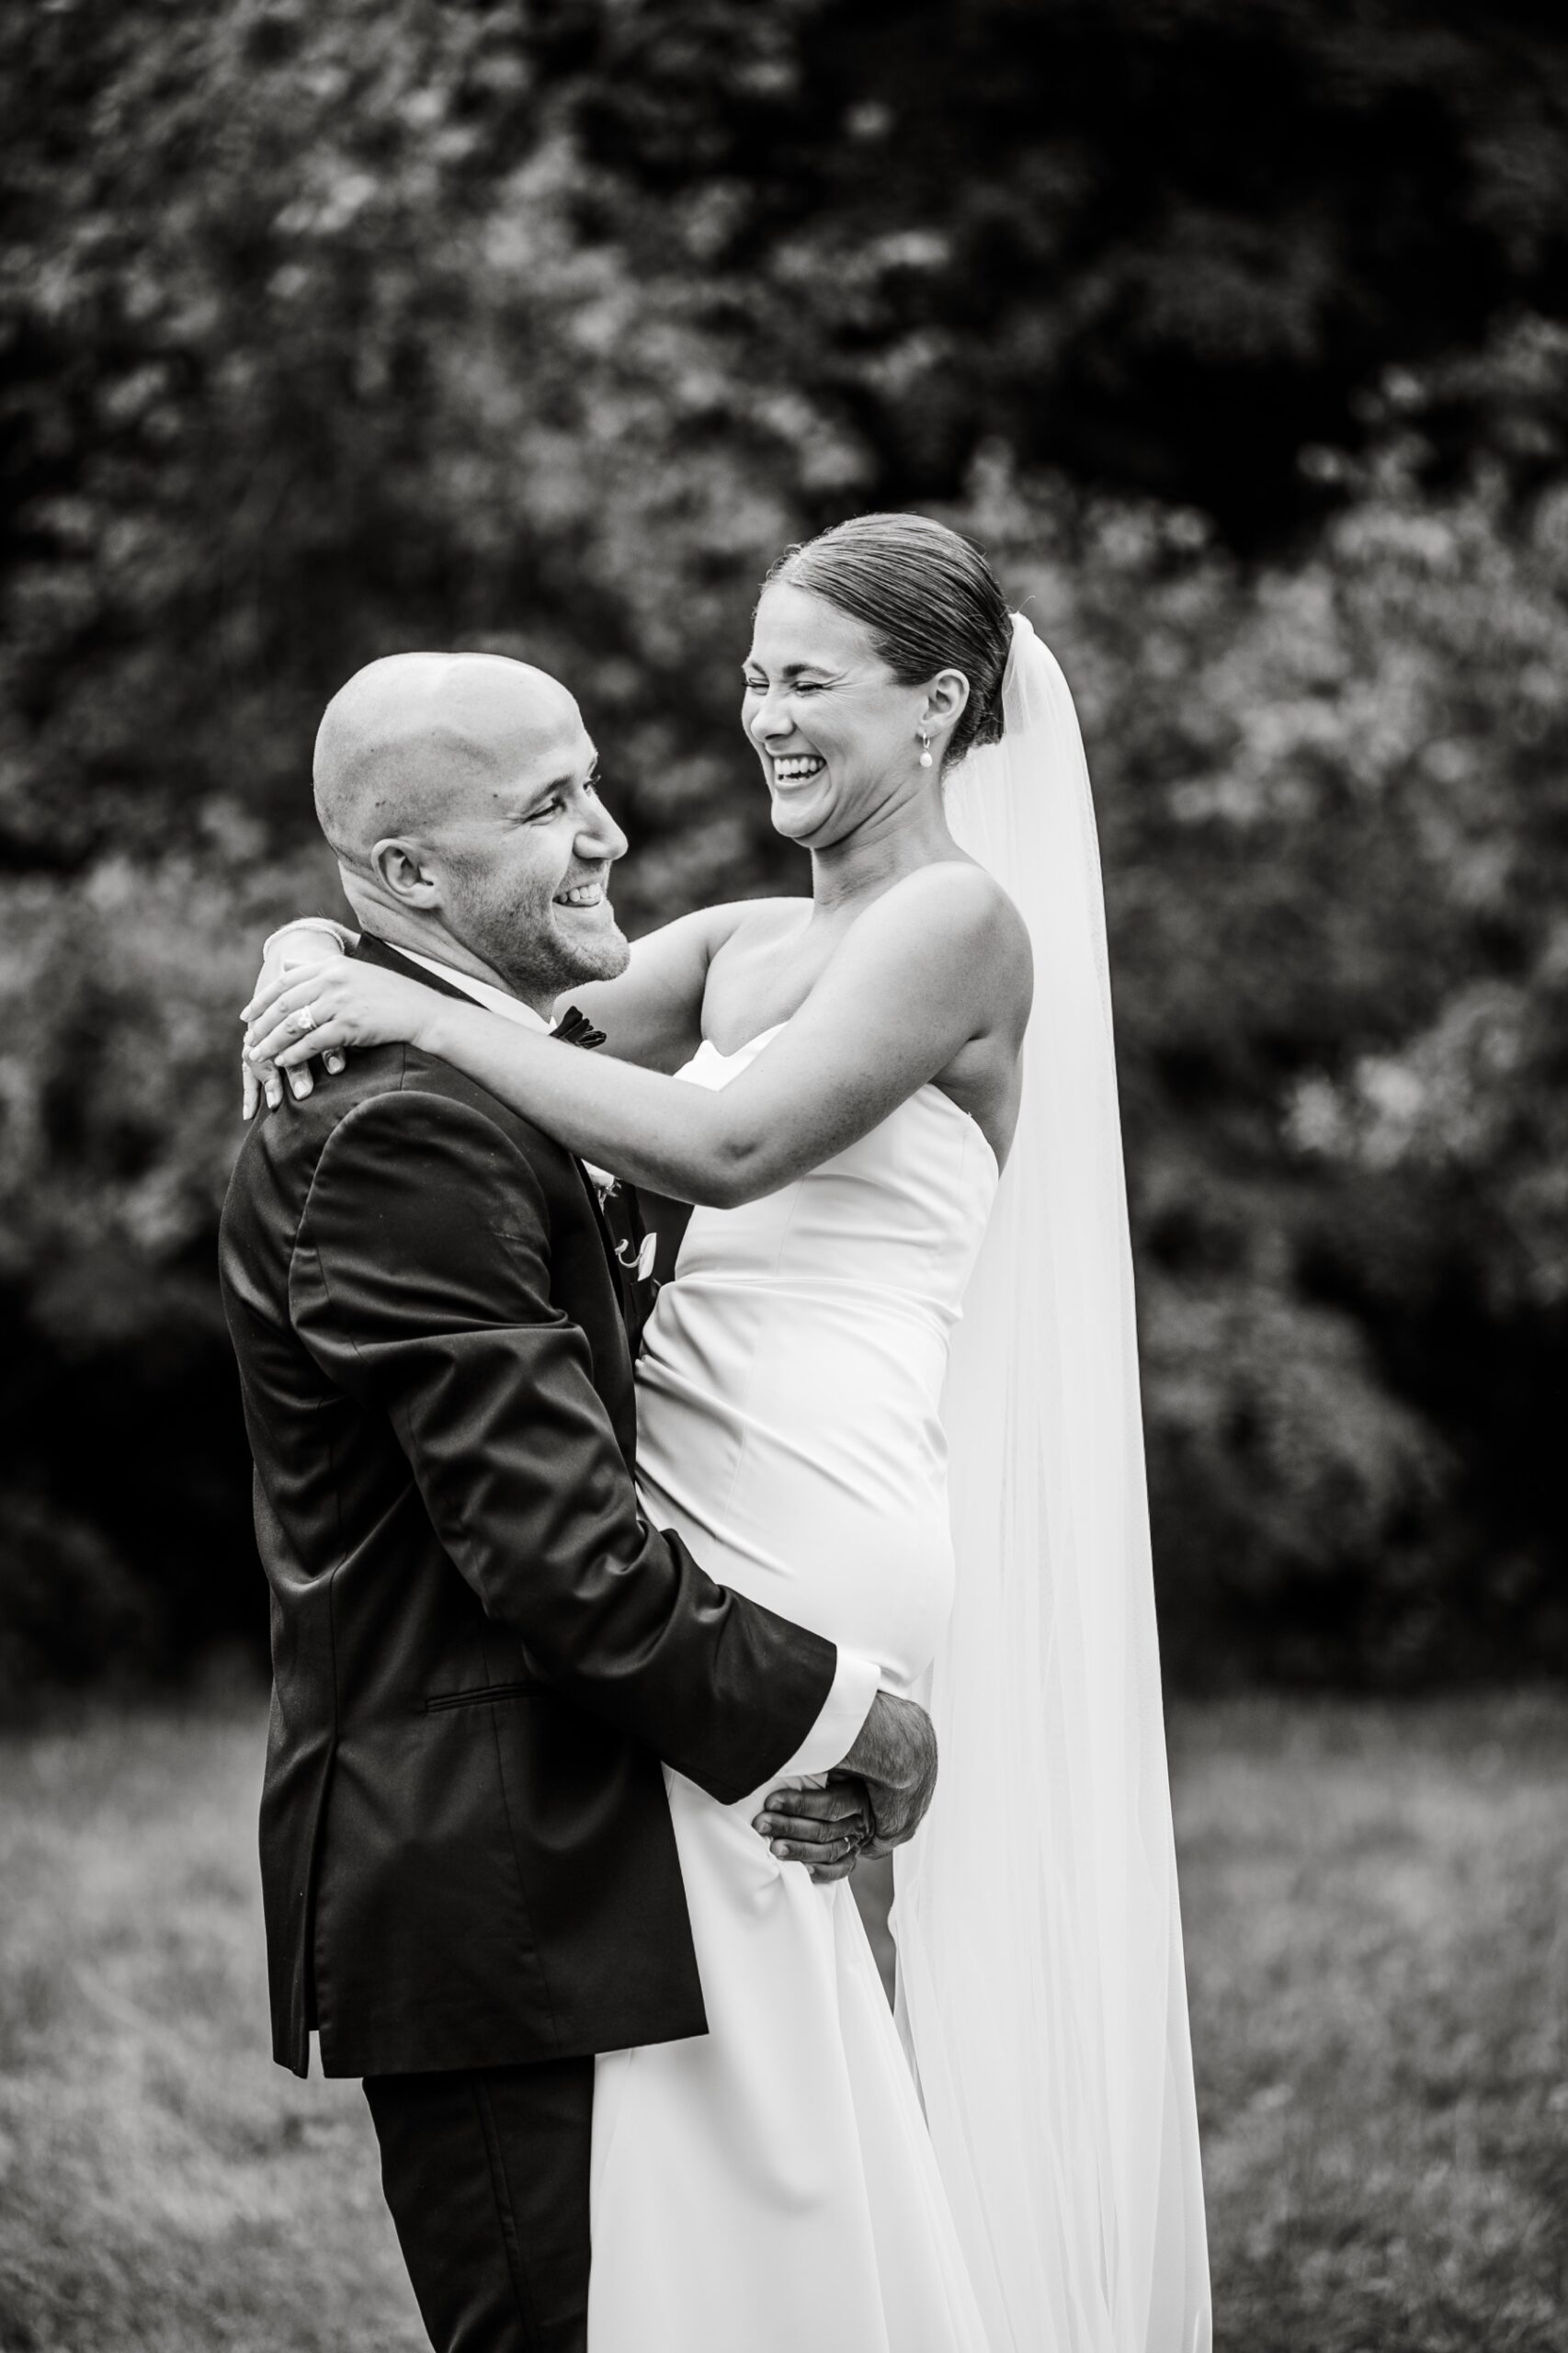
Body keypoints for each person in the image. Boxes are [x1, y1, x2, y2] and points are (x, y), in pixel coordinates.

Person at [245, 512, 1212, 2352]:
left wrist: (384, 1001)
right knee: (799, 2023)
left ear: (936, 708)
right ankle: (822, 2271)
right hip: (708, 1464)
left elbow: (725, 1147)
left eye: (810, 679)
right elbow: (495, 990)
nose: (765, 713)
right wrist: (328, 940)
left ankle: (806, 2281)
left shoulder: (951, 922)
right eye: (754, 672)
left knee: (791, 1957)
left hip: (816, 1479)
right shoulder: (746, 942)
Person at [220, 639, 944, 2353]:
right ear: (409, 875)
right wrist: (857, 1716)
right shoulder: (402, 1129)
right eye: (550, 808)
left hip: (597, 1854)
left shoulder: (482, 1072)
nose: (609, 832)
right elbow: (563, 1560)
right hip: (502, 1886)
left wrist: (315, 940)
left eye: (593, 783)